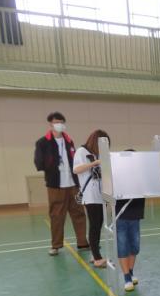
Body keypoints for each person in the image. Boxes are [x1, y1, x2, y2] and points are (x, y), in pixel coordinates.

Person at [34, 111, 88, 256]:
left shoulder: (69, 141)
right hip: (55, 186)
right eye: (56, 122)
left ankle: (83, 242)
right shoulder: (42, 143)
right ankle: (56, 245)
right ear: (50, 124)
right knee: (57, 216)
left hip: (73, 185)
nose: (59, 124)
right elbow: (38, 163)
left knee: (79, 213)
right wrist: (52, 163)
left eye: (61, 122)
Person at [73, 130, 108, 268]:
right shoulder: (81, 151)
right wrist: (95, 163)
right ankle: (97, 257)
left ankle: (95, 254)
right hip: (90, 195)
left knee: (98, 225)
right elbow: (76, 169)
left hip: (101, 194)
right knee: (94, 225)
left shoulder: (97, 154)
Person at [115, 149, 145, 292]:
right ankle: (126, 277)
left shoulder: (141, 175)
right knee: (123, 247)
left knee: (135, 246)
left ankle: (131, 272)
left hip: (136, 215)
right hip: (121, 215)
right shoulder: (119, 175)